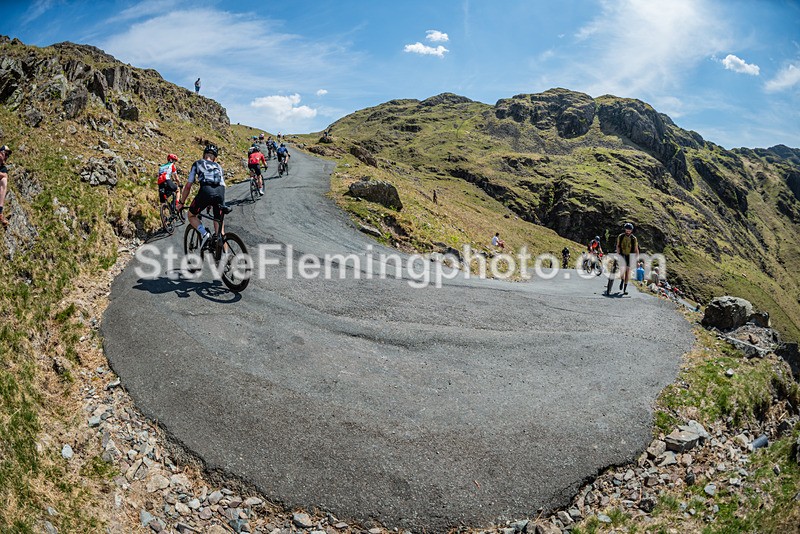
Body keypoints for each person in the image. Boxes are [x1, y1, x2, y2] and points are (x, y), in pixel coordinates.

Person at [177, 144, 225, 249]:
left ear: (204, 155)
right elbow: (220, 185)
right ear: (215, 158)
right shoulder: (219, 167)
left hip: (205, 191)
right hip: (220, 193)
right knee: (219, 226)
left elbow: (188, 186)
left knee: (191, 215)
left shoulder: (197, 164)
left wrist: (181, 203)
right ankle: (224, 255)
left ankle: (205, 234)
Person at [615, 222, 639, 295]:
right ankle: (622, 280)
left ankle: (625, 288)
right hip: (622, 253)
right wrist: (618, 253)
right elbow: (618, 245)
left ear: (631, 231)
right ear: (625, 230)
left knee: (627, 271)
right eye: (627, 230)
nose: (628, 232)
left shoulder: (634, 238)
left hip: (630, 255)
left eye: (629, 230)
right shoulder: (621, 236)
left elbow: (636, 249)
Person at [0, 145, 11, 227]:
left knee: (4, 181)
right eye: (6, 154)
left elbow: (5, 176)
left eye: (8, 155)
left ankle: (0, 212)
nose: (7, 157)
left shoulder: (3, 168)